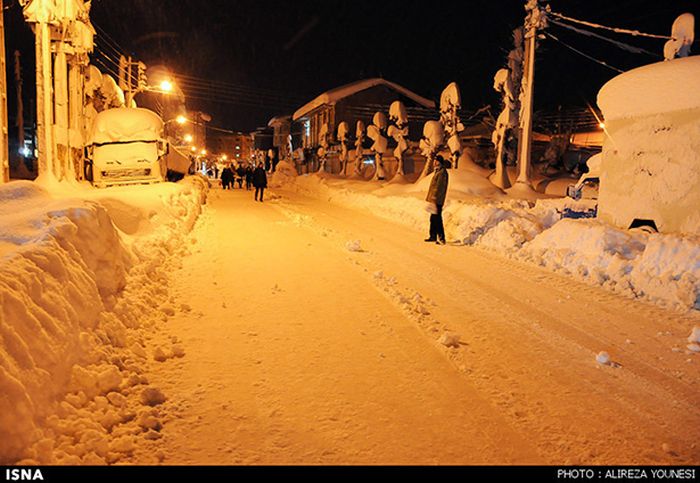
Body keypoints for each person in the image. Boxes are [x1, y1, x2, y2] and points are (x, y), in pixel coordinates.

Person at [425, 155, 450, 245]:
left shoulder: (442, 172)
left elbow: (439, 187)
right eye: (434, 161)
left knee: (437, 219)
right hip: (434, 199)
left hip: (437, 200)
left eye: (436, 161)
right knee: (433, 218)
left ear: (440, 162)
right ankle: (433, 236)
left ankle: (441, 238)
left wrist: (434, 198)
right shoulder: (438, 171)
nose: (434, 162)